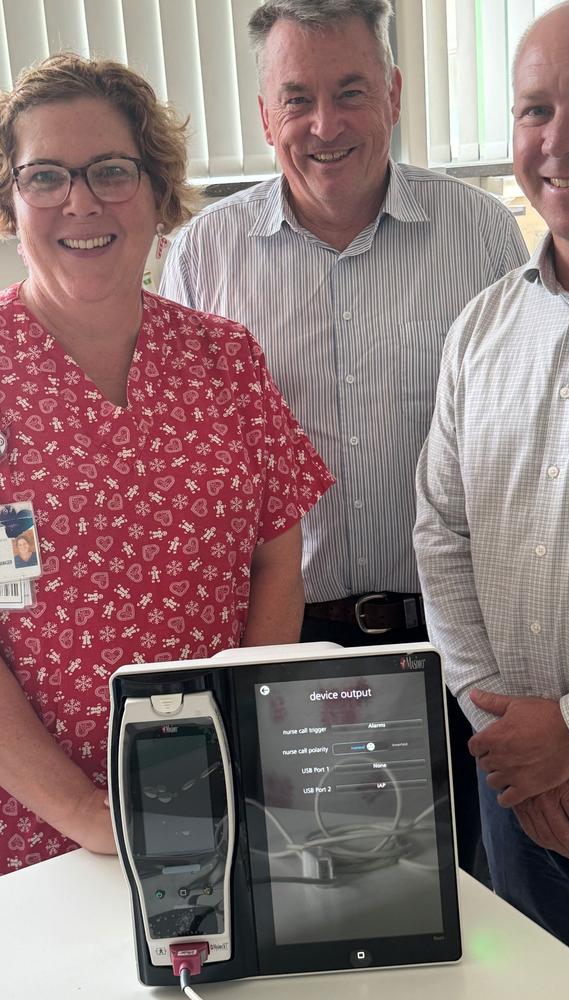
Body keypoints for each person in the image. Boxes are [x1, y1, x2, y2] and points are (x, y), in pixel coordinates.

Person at [160, 0, 528, 880]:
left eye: (351, 91)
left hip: (457, 650)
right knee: (316, 901)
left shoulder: (480, 235)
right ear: (263, 115)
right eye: (297, 99)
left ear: (394, 94)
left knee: (474, 910)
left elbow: (519, 434)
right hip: (289, 653)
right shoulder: (203, 256)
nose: (324, 125)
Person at [0, 53, 334, 876]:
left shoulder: (226, 358)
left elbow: (277, 560)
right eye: (44, 176)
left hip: (224, 799)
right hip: (40, 832)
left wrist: (239, 746)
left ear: (157, 190)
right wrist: (88, 815)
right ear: (11, 202)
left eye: (111, 171)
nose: (80, 201)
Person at [414, 0, 569, 991]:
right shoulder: (479, 328)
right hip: (511, 770)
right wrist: (499, 726)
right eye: (532, 110)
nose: (557, 141)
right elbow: (439, 535)